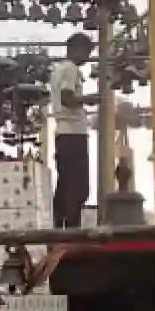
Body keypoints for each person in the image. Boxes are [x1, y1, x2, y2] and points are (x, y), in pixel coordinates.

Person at [50, 32, 95, 227]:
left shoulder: (57, 70)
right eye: (87, 51)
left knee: (65, 184)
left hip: (62, 133)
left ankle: (59, 227)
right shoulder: (71, 70)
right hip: (74, 133)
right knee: (78, 188)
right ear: (77, 49)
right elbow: (67, 98)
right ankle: (72, 229)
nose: (87, 57)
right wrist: (89, 99)